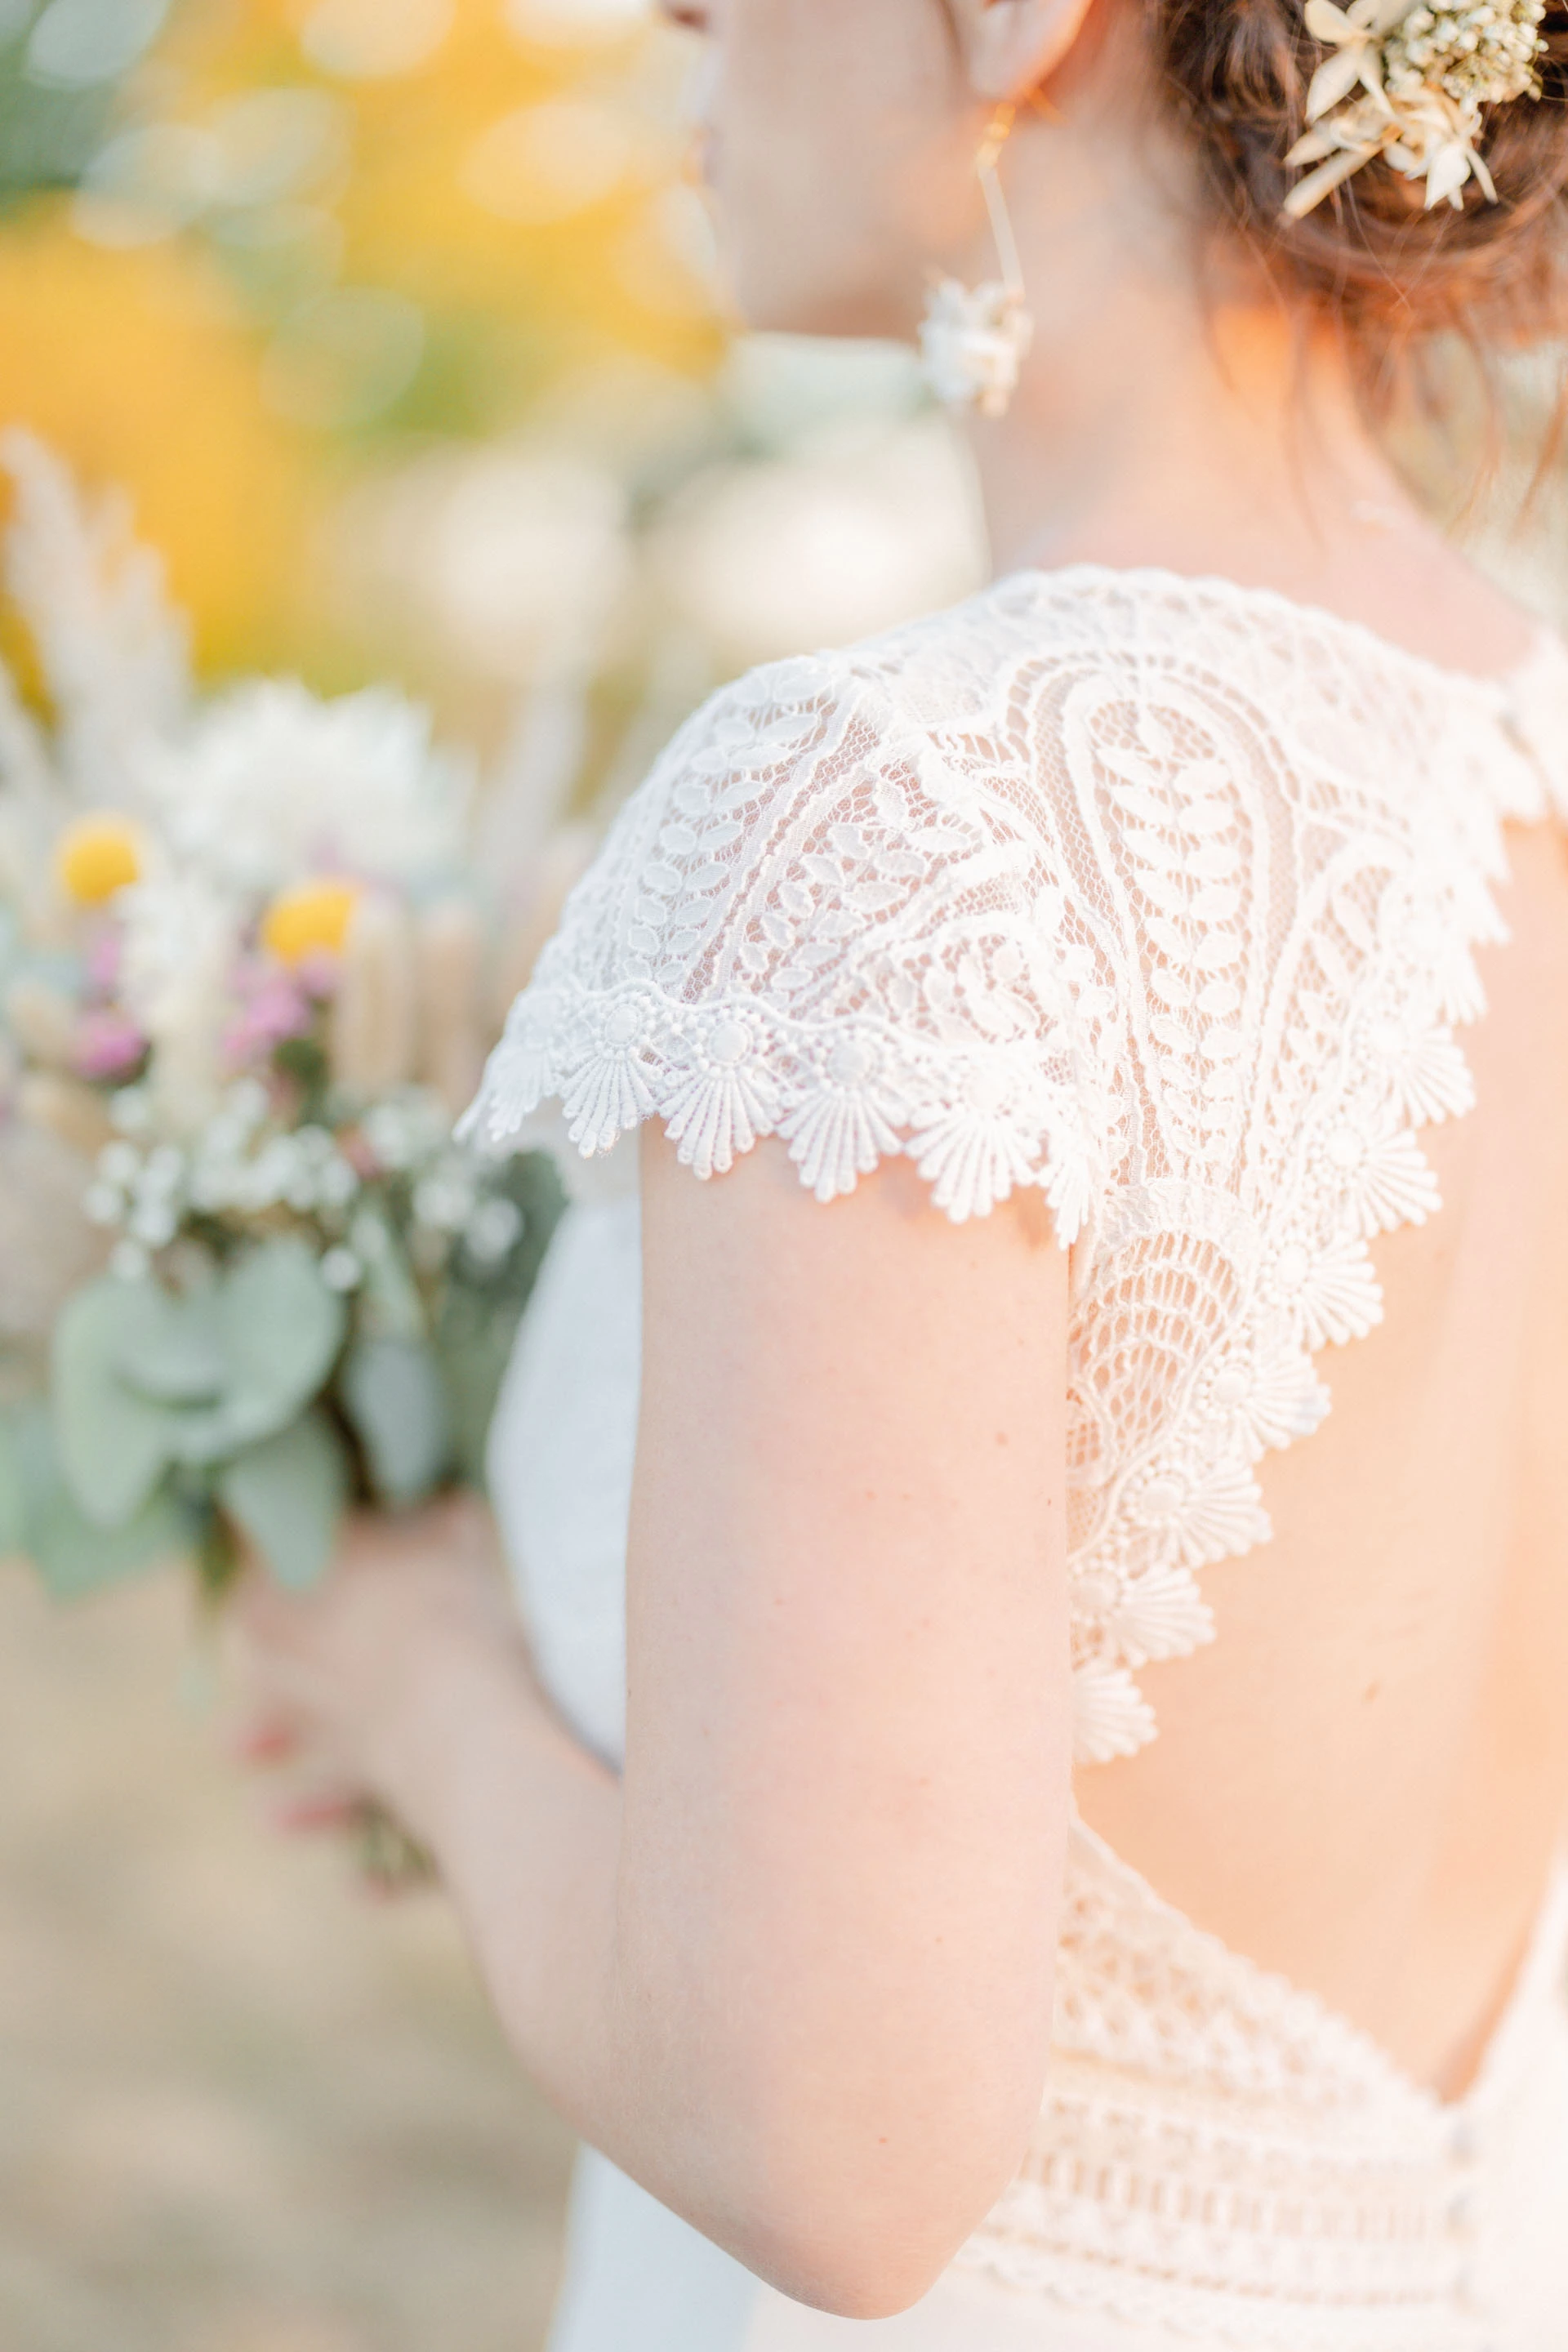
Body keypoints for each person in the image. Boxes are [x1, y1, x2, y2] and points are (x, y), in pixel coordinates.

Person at [234, 0, 1568, 2342]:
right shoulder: (1534, 773)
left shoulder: (896, 814)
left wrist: (417, 1675)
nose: (675, 10)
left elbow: (826, 2149)